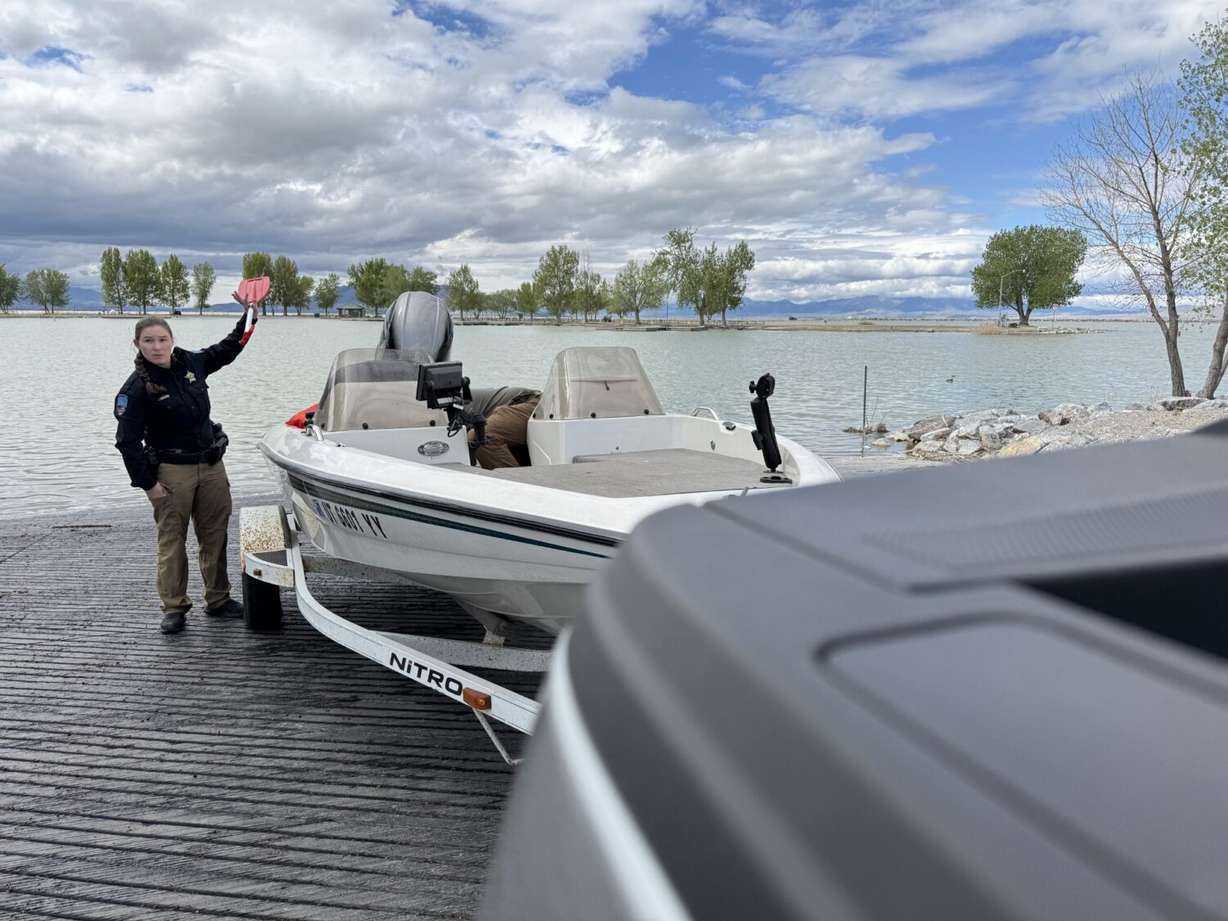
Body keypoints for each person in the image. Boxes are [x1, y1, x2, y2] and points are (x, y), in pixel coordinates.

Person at [114, 311, 255, 634]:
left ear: (172, 340)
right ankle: (174, 607)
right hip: (171, 472)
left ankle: (218, 599)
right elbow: (127, 442)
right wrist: (148, 485)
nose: (157, 346)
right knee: (172, 541)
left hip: (210, 466)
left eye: (162, 339)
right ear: (136, 344)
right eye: (148, 341)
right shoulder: (135, 389)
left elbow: (229, 347)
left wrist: (250, 314)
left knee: (215, 535)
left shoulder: (191, 363)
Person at [470, 389, 541, 469]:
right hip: (528, 403)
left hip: (538, 404)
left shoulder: (459, 405)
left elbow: (485, 433)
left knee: (481, 436)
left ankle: (514, 480)